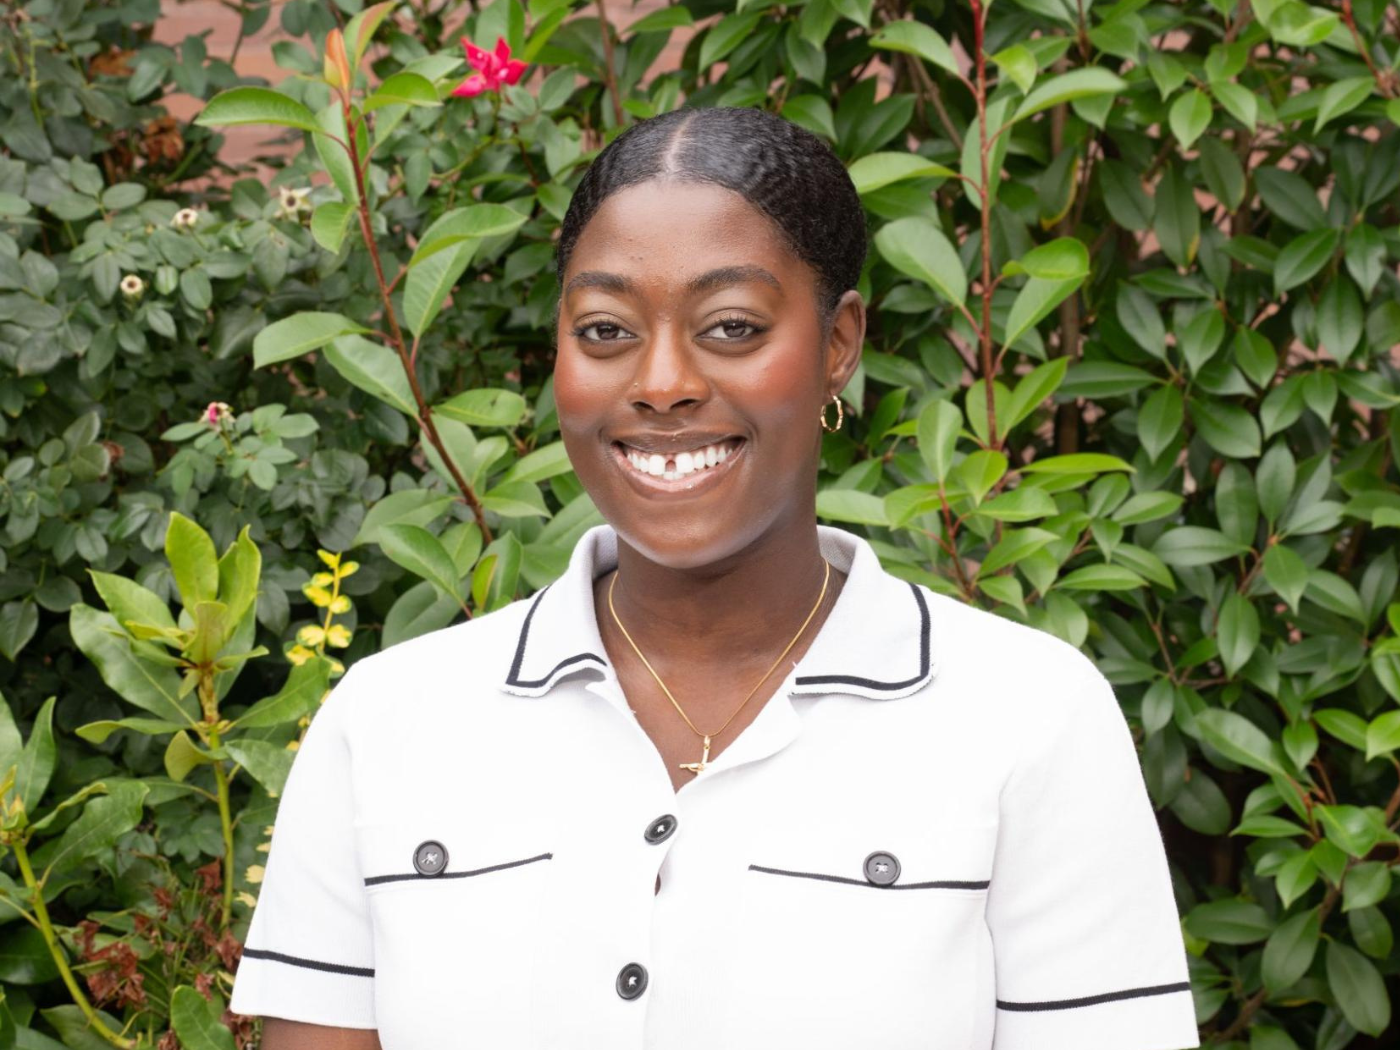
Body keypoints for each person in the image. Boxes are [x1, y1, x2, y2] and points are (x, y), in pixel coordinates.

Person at [230, 106, 1200, 1050]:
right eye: (605, 330)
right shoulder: (390, 722)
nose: (660, 383)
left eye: (730, 326)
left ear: (837, 345)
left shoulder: (1024, 717)